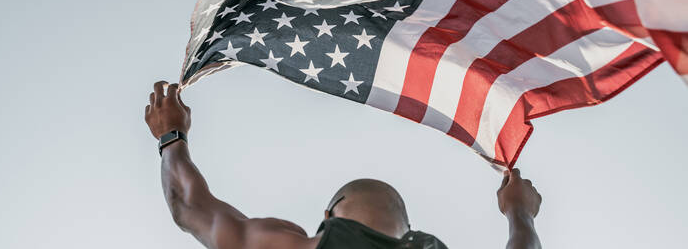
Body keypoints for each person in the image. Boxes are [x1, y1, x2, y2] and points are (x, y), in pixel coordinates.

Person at [145, 81, 542, 249]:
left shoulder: (299, 243)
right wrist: (519, 212)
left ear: (328, 216)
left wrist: (171, 136)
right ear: (409, 226)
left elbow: (188, 208)